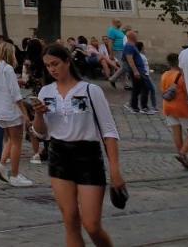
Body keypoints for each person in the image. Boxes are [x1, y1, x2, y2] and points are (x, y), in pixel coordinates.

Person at [29, 44, 123, 247]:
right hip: (59, 156)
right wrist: (38, 113)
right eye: (47, 66)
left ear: (67, 62)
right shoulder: (46, 92)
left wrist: (115, 171)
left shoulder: (90, 90)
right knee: (70, 221)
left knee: (91, 225)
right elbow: (41, 132)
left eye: (55, 64)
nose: (52, 69)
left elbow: (109, 131)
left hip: (88, 156)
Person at [0, 41, 32, 187]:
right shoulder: (8, 68)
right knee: (17, 142)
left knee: (10, 140)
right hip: (10, 110)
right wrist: (25, 114)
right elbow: (15, 95)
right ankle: (15, 175)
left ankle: (1, 163)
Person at [160, 52, 188, 169]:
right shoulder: (180, 76)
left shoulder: (164, 75)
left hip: (168, 107)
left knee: (176, 133)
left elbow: (163, 90)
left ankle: (184, 159)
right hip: (181, 107)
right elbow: (187, 93)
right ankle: (183, 153)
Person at [121, 30, 149, 114]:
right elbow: (130, 59)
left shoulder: (132, 46)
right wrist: (135, 71)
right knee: (144, 87)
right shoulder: (129, 46)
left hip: (139, 70)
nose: (137, 37)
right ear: (132, 37)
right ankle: (141, 107)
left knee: (137, 89)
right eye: (135, 35)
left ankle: (135, 106)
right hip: (137, 71)